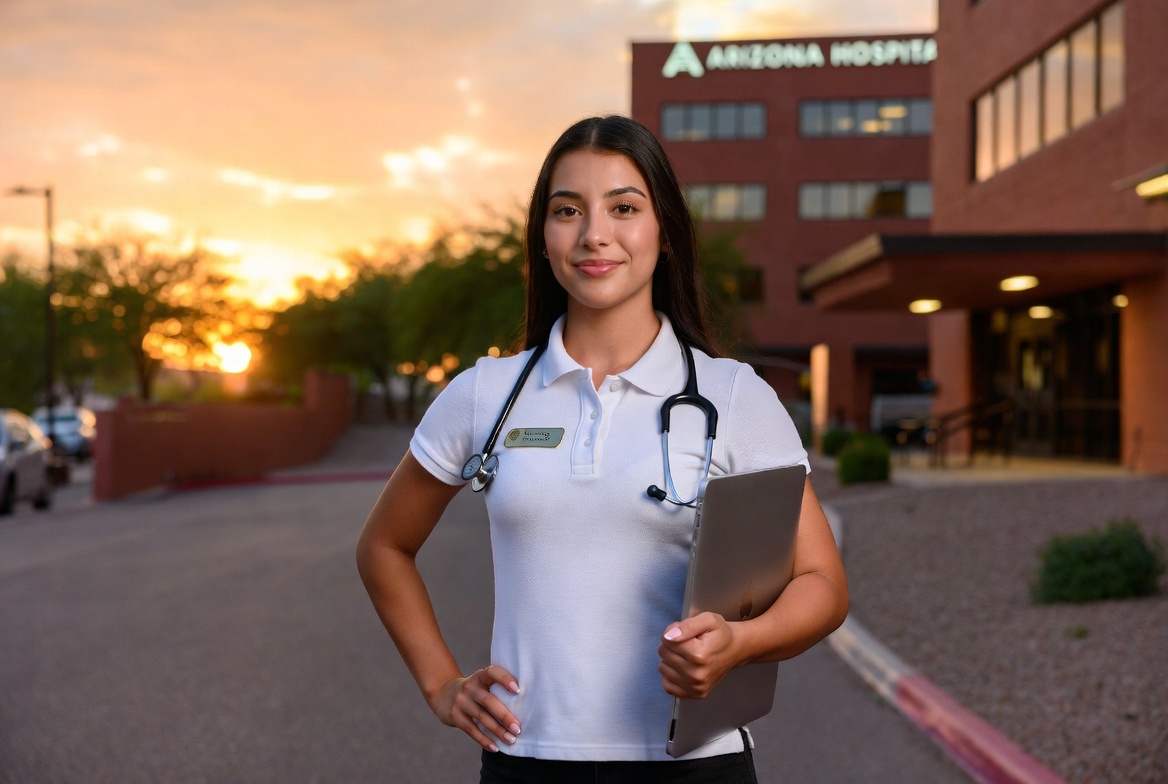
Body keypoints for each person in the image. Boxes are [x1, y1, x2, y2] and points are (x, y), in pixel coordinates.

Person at [356, 115, 848, 783]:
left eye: (624, 207)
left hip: (693, 765)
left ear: (663, 232)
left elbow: (822, 584)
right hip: (527, 761)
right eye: (567, 211)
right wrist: (441, 684)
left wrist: (742, 643)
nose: (594, 234)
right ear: (543, 238)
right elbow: (384, 546)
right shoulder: (486, 394)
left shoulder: (733, 396)